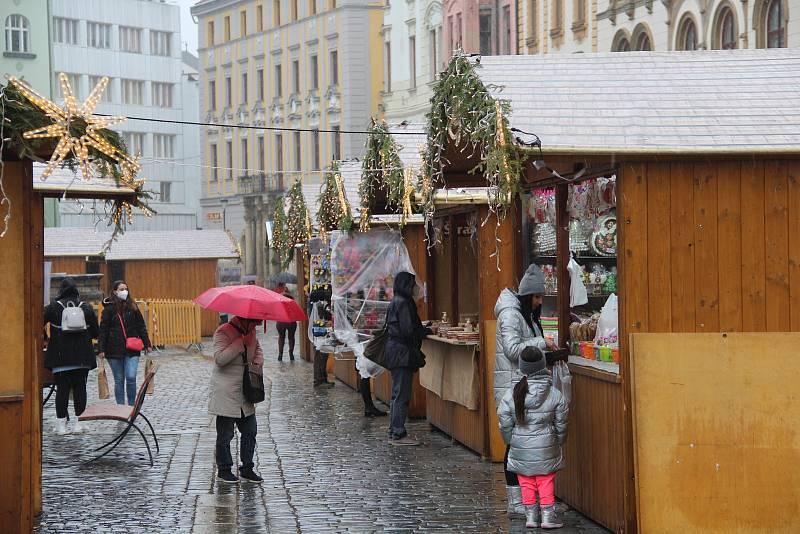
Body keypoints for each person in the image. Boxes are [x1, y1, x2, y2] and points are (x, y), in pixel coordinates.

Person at [494, 264, 556, 517]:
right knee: (516, 447)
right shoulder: (511, 314)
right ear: (526, 296)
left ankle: (525, 500)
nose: (540, 301)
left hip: (521, 386)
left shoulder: (525, 314)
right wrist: (542, 342)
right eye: (537, 297)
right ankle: (515, 502)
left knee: (522, 445)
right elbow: (512, 349)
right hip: (513, 387)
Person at [497, 347, 569, 529]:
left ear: (522, 368)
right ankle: (547, 515)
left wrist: (510, 440)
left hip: (520, 445)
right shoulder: (554, 394)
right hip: (547, 444)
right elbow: (562, 421)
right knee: (545, 480)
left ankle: (530, 516)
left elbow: (504, 421)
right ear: (542, 365)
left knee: (526, 481)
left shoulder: (513, 393)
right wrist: (559, 440)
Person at [209, 315, 265, 484]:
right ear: (244, 319)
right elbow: (220, 359)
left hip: (246, 389)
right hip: (226, 391)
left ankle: (247, 468)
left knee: (250, 430)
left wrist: (256, 362)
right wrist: (239, 344)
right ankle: (224, 469)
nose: (255, 325)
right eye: (254, 322)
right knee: (225, 434)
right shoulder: (223, 332)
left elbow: (258, 351)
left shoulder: (251, 332)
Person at [43, 278, 99, 434]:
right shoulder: (86, 308)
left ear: (61, 291)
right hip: (82, 357)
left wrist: (46, 337)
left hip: (60, 357)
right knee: (80, 389)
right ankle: (79, 423)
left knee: (62, 390)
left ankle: (61, 425)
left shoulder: (53, 308)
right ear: (76, 291)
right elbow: (96, 332)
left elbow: (36, 323)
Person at [384, 271, 430, 446]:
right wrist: (423, 332)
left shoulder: (397, 301)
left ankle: (394, 431)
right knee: (401, 394)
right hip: (401, 353)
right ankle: (398, 433)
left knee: (398, 393)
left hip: (397, 352)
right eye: (412, 285)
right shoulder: (403, 303)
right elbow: (408, 329)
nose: (415, 288)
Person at [98, 280, 151, 406]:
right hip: (113, 349)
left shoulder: (133, 306)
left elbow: (141, 326)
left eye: (125, 289)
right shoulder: (109, 309)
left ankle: (132, 406)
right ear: (115, 291)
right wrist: (101, 349)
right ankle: (121, 408)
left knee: (131, 377)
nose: (124, 291)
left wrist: (147, 343)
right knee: (119, 380)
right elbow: (103, 330)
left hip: (132, 348)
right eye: (121, 289)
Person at [275, 291, 297, 362]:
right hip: (291, 320)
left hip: (281, 320)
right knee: (291, 337)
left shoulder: (278, 301)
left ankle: (280, 355)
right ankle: (291, 354)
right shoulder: (291, 301)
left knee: (281, 337)